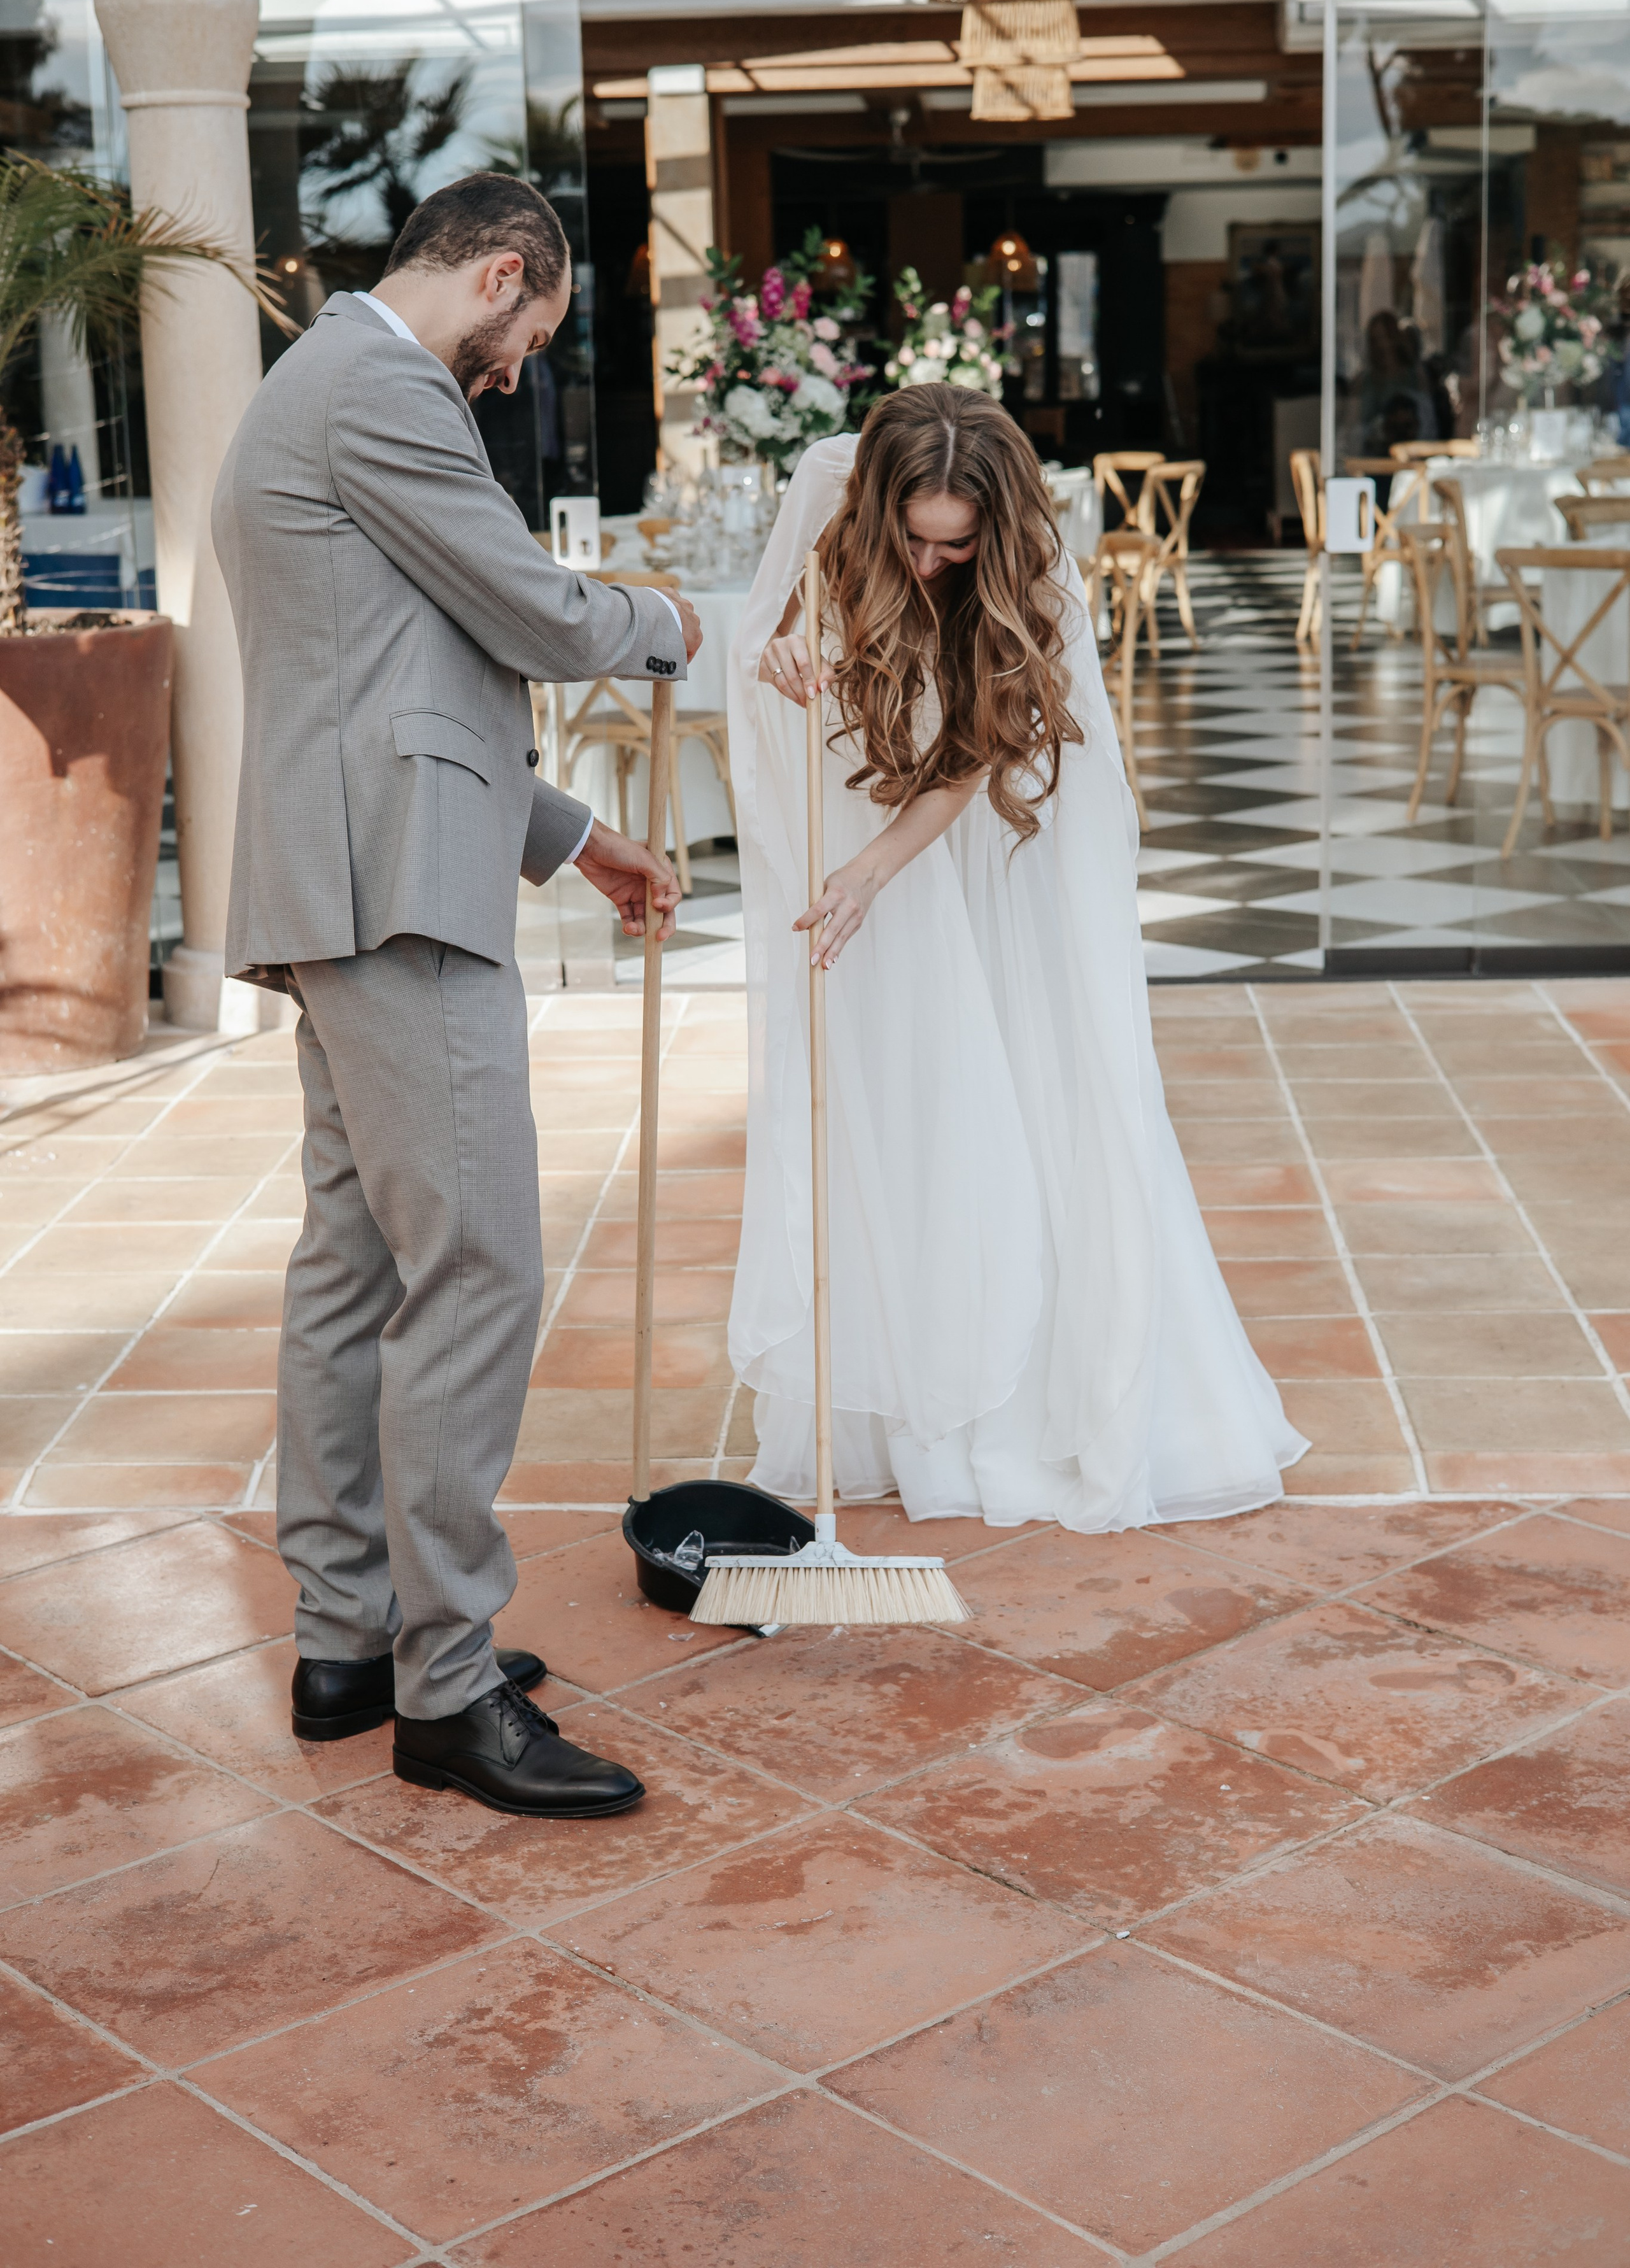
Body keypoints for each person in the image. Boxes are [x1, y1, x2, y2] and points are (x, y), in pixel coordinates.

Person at [214, 174, 700, 1817]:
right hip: (395, 890)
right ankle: (445, 1687)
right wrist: (670, 621)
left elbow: (392, 671)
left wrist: (572, 838)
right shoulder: (383, 385)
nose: (512, 373)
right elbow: (531, 613)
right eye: (530, 337)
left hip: (351, 869)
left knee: (353, 1268)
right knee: (478, 1265)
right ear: (500, 273)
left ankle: (349, 1641)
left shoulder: (323, 382)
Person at [727, 386, 1305, 1529]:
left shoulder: (1032, 572)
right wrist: (783, 647)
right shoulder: (828, 486)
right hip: (871, 790)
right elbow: (768, 629)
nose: (930, 564)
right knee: (906, 1092)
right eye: (914, 538)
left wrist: (871, 873)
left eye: (957, 546)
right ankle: (907, 1391)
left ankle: (1029, 1389)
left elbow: (975, 757)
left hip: (999, 838)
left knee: (1031, 1077)